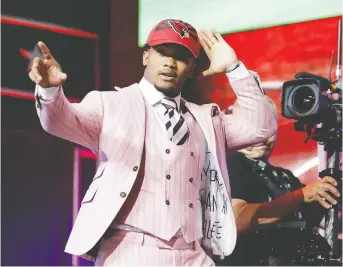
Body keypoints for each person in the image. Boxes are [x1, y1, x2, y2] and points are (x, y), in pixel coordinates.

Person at [28, 19, 277, 266]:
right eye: (162, 52)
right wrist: (50, 91)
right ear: (146, 56)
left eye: (181, 57)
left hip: (194, 253)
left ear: (191, 68)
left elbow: (260, 127)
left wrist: (235, 69)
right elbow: (60, 121)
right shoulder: (110, 104)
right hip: (130, 249)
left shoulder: (205, 119)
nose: (170, 62)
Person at [214, 98, 340, 266]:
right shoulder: (230, 164)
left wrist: (328, 193)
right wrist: (300, 196)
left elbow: (314, 216)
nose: (262, 136)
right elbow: (236, 219)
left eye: (268, 127)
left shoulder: (283, 176)